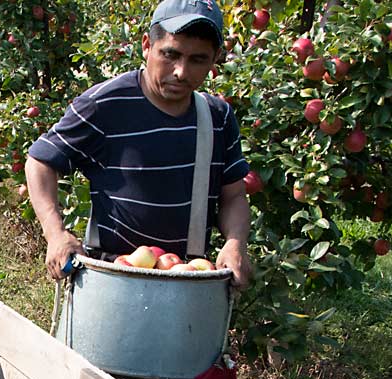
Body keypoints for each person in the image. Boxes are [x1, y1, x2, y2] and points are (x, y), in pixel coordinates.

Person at [25, 0, 253, 288]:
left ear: (215, 57)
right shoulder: (105, 105)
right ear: (147, 45)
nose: (181, 71)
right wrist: (55, 232)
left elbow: (233, 195)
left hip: (188, 282)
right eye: (170, 54)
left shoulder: (217, 118)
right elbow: (40, 161)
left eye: (198, 59)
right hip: (109, 280)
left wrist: (235, 243)